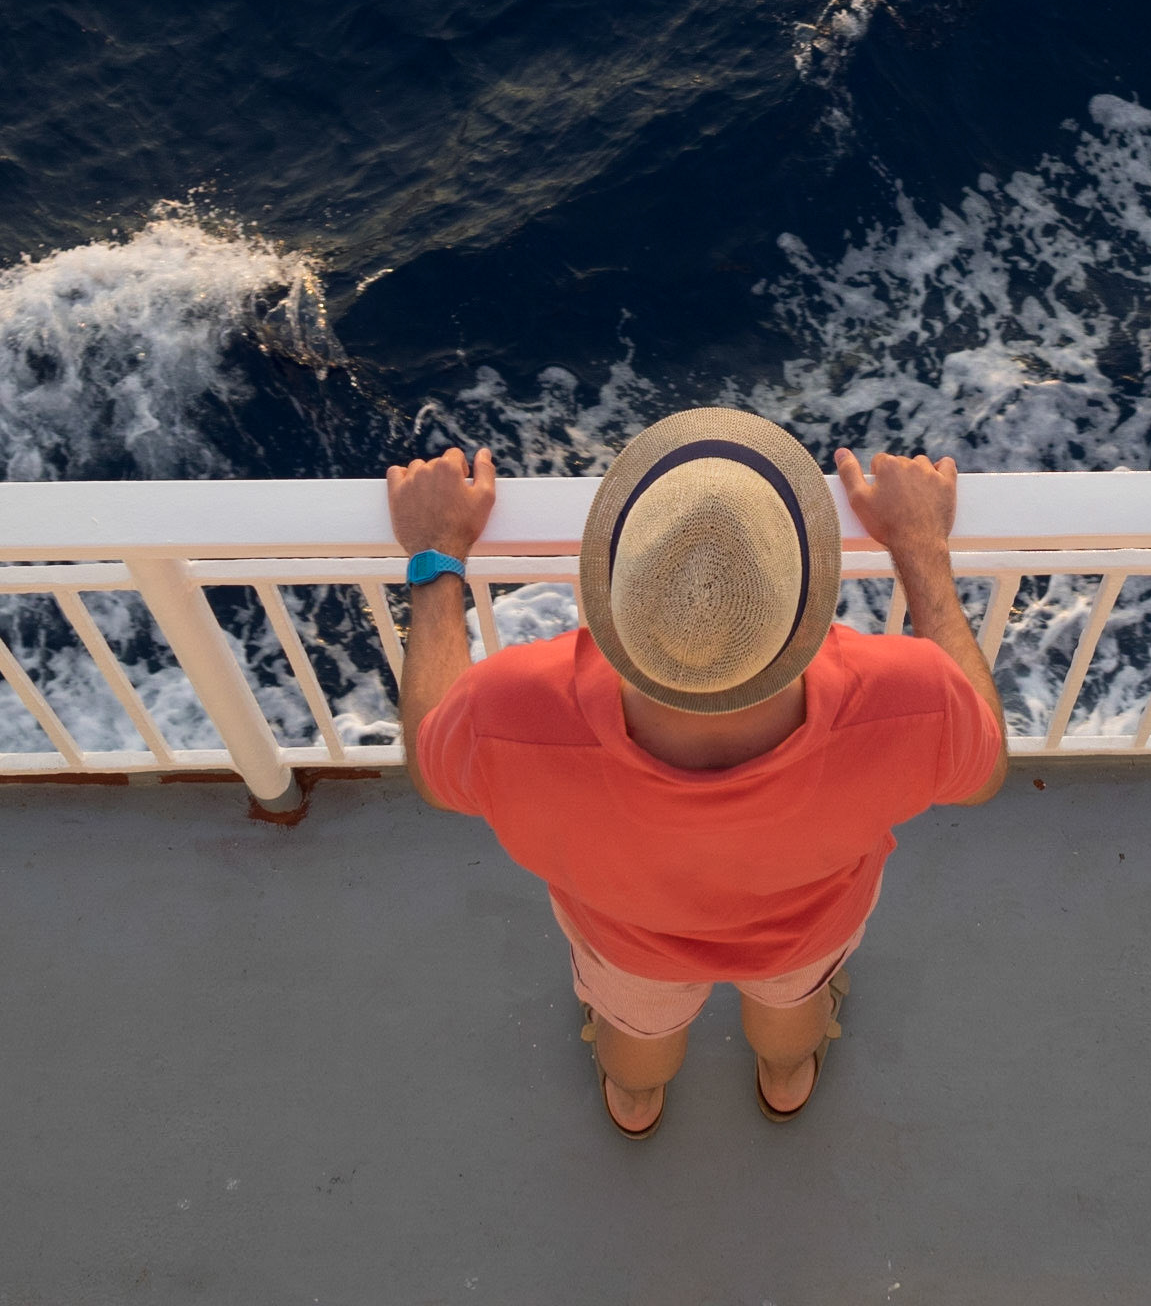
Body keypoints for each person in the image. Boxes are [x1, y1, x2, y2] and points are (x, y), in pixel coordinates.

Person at [388, 406, 1007, 1138]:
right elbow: (986, 766)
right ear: (805, 601)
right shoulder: (909, 695)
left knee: (637, 1038)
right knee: (793, 1010)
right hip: (806, 934)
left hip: (628, 943)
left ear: (614, 595)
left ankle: (635, 1101)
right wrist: (921, 545)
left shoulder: (511, 707)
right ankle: (785, 1080)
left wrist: (436, 556)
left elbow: (433, 770)